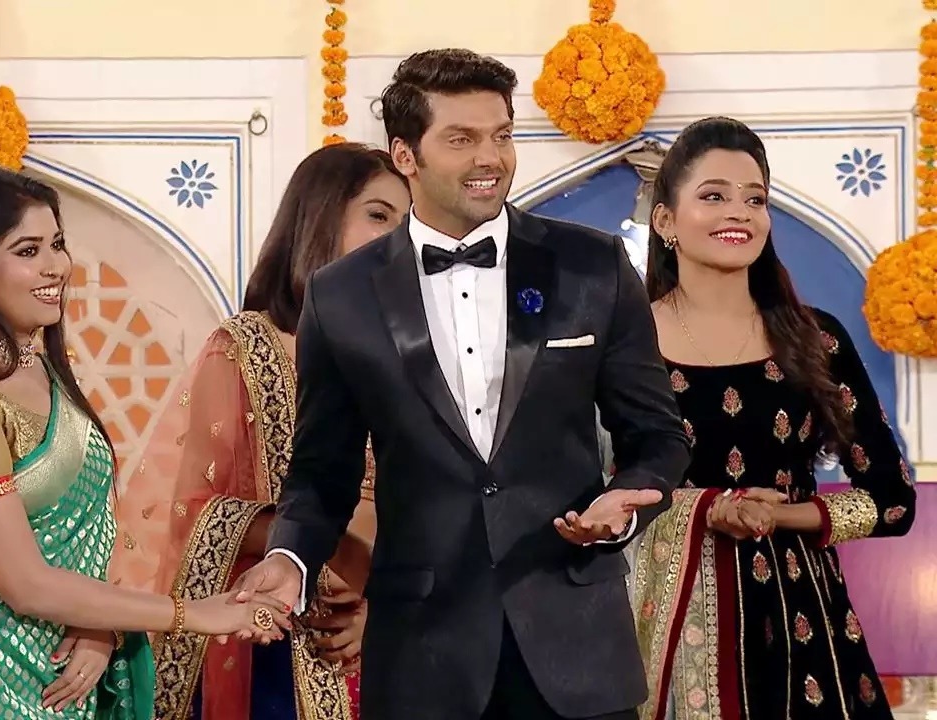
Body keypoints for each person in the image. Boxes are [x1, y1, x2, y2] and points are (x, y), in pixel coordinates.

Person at [230, 49, 691, 720]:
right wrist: (290, 559)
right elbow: (322, 474)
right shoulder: (342, 294)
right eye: (462, 139)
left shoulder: (591, 265)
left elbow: (657, 437)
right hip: (421, 656)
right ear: (406, 156)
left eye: (502, 135)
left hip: (576, 645)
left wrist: (626, 505)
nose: (491, 158)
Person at [0, 163, 290, 720]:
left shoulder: (41, 369)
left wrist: (102, 626)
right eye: (28, 250)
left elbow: (88, 535)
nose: (56, 266)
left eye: (58, 244)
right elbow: (25, 584)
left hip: (51, 669)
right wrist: (193, 614)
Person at [630, 116, 916, 720]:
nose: (739, 212)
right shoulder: (622, 343)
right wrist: (708, 509)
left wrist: (776, 514)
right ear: (665, 221)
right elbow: (593, 488)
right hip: (665, 619)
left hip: (802, 622)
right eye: (713, 196)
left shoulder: (815, 339)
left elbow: (891, 501)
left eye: (755, 199)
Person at [112, 142, 409, 720]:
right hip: (283, 645)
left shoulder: (420, 356)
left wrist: (383, 603)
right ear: (320, 220)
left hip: (397, 637)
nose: (397, 237)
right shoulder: (250, 348)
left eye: (407, 222)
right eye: (378, 215)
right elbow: (197, 511)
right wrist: (315, 553)